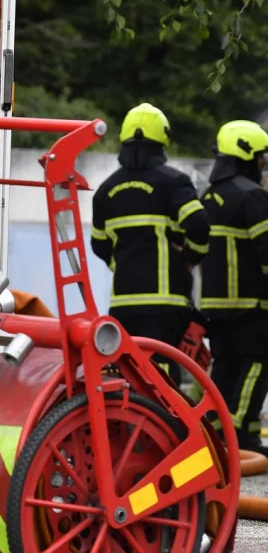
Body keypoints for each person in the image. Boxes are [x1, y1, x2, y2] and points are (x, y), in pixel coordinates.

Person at [90, 103, 210, 384]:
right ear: (162, 140)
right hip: (166, 306)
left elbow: (99, 245)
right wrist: (191, 257)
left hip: (123, 306)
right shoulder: (175, 182)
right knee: (164, 379)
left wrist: (122, 263)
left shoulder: (106, 191)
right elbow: (199, 225)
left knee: (129, 376)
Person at [199, 120, 268, 454]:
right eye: (260, 157)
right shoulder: (252, 195)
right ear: (245, 155)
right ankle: (239, 434)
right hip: (250, 302)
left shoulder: (208, 196)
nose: (263, 164)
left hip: (214, 304)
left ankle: (216, 434)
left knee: (225, 368)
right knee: (258, 362)